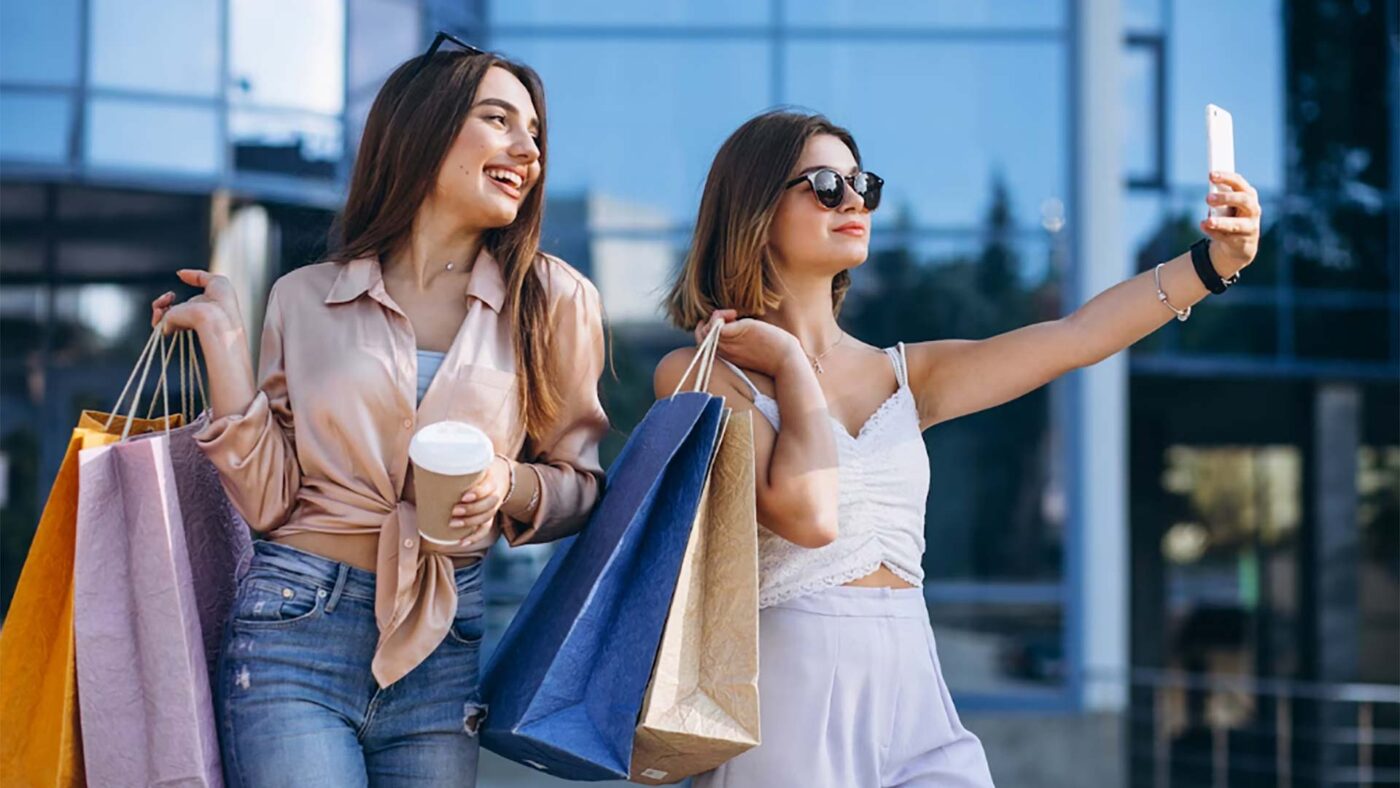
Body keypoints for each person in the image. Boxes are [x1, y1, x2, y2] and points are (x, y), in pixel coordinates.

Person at [655, 109, 1261, 787]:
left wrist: (1213, 263)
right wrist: (792, 367)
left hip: (916, 689)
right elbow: (806, 513)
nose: (855, 200)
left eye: (863, 184)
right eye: (826, 185)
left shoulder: (907, 375)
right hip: (790, 702)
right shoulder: (702, 373)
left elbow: (1079, 336)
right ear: (754, 208)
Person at [151, 34, 608, 786]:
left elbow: (582, 485)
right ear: (424, 129)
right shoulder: (304, 295)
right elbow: (269, 501)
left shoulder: (554, 301)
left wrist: (508, 483)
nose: (527, 149)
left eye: (534, 133)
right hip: (294, 625)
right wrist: (226, 343)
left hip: (443, 648)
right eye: (499, 120)